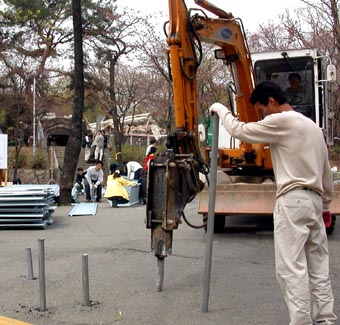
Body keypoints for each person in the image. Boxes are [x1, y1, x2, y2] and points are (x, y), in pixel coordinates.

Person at [209, 81, 337, 325]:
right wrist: (327, 206)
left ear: (271, 102)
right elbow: (326, 174)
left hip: (292, 201)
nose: (262, 117)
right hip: (315, 201)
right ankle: (326, 321)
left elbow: (240, 131)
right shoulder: (313, 128)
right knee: (319, 269)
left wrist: (220, 108)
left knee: (292, 269)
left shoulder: (282, 120)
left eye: (261, 110)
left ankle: (301, 322)